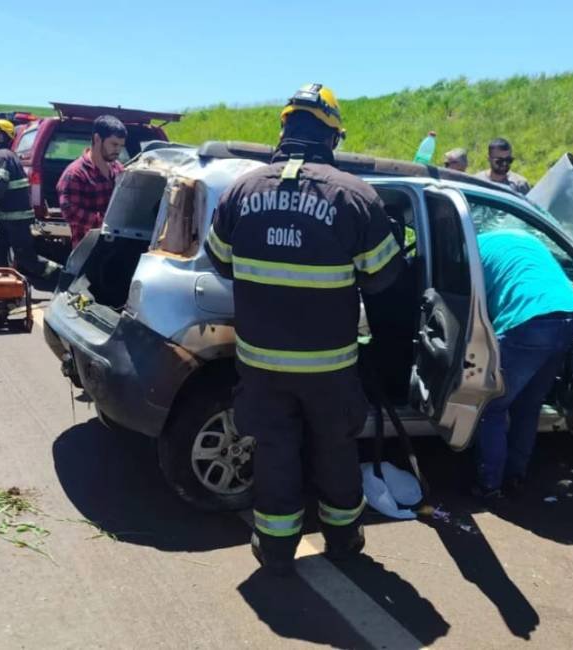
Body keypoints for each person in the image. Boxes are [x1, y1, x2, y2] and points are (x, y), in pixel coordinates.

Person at [204, 84, 404, 576]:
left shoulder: (241, 192)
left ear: (284, 129)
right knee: (335, 451)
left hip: (261, 365)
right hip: (329, 368)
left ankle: (275, 550)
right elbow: (384, 278)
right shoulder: (354, 196)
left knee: (275, 453)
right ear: (332, 136)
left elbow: (220, 262)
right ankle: (343, 541)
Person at [473, 230, 573, 499]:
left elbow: (473, 306)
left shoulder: (471, 252)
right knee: (528, 405)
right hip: (570, 315)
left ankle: (489, 485)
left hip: (527, 322)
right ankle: (515, 475)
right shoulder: (521, 238)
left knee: (492, 406)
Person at [0, 119, 58, 277]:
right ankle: (2, 284)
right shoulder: (7, 155)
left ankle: (62, 276)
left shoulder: (1, 156)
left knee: (26, 259)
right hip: (8, 217)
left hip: (16, 219)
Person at [56, 115, 127, 249]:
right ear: (97, 139)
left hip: (116, 247)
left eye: (121, 146)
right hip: (88, 250)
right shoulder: (75, 173)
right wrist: (109, 223)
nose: (118, 150)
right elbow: (71, 212)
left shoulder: (118, 169)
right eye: (114, 144)